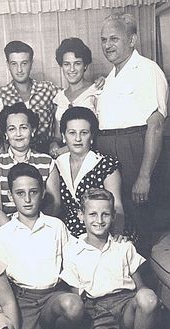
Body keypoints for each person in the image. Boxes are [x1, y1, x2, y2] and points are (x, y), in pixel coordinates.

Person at [0, 163, 84, 329]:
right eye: (20, 193)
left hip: (52, 299)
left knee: (74, 304)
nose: (28, 199)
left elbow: (74, 263)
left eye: (33, 192)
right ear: (11, 195)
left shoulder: (56, 226)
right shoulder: (4, 234)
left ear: (42, 193)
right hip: (23, 306)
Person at [61, 188, 159, 329]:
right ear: (81, 216)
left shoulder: (124, 246)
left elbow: (141, 290)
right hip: (98, 314)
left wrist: (144, 312)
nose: (99, 220)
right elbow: (75, 304)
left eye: (105, 214)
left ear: (114, 216)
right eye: (92, 214)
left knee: (148, 298)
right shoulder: (73, 251)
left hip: (127, 307)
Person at [96, 12, 168, 257]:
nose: (107, 45)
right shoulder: (110, 77)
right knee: (117, 221)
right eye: (104, 40)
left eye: (114, 39)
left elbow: (156, 125)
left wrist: (145, 176)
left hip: (136, 153)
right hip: (110, 153)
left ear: (132, 40)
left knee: (141, 225)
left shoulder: (147, 70)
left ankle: (147, 288)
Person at [0, 102, 61, 228]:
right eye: (12, 129)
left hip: (41, 227)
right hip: (8, 229)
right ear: (5, 134)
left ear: (33, 130)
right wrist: (17, 232)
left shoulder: (47, 162)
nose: (18, 134)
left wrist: (37, 228)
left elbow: (55, 205)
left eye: (24, 127)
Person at [56, 106, 124, 238]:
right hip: (67, 232)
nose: (77, 139)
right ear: (64, 136)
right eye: (72, 133)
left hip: (102, 230)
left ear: (92, 136)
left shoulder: (106, 164)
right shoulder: (57, 164)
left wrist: (117, 234)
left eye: (84, 133)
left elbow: (117, 206)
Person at [0, 40, 58, 153]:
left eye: (24, 63)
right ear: (7, 64)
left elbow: (73, 97)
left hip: (46, 152)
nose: (19, 69)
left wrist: (97, 83)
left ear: (31, 63)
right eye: (14, 64)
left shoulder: (47, 89)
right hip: (15, 155)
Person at [50, 37, 101, 158]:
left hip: (90, 157)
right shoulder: (59, 97)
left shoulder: (96, 91)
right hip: (65, 160)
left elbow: (100, 134)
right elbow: (58, 136)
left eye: (77, 63)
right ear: (61, 66)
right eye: (67, 64)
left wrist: (67, 148)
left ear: (85, 65)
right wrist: (53, 144)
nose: (71, 69)